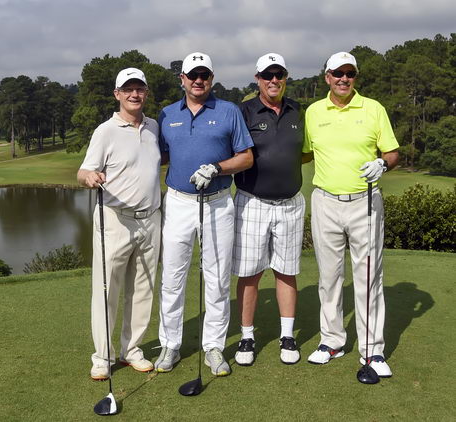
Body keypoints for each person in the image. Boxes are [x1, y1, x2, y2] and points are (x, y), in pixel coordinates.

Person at [155, 52, 254, 376]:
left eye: (205, 75)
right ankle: (170, 344)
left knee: (217, 278)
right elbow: (157, 156)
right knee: (172, 277)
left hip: (217, 203)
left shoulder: (228, 111)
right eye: (192, 75)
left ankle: (213, 346)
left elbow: (246, 158)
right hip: (180, 202)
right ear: (182, 79)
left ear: (212, 79)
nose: (199, 81)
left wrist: (216, 167)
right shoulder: (168, 114)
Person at [303, 52, 399, 377]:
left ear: (355, 77)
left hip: (365, 201)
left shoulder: (373, 109)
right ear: (326, 76)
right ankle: (331, 341)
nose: (344, 78)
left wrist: (383, 163)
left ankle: (372, 351)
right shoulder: (314, 112)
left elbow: (392, 152)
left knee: (369, 277)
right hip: (325, 202)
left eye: (350, 73)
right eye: (338, 73)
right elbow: (301, 153)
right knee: (329, 277)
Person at [78, 68, 162, 381]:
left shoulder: (153, 127)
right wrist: (90, 177)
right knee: (107, 291)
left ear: (146, 92)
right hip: (115, 220)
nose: (134, 94)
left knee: (143, 289)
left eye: (139, 88)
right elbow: (84, 171)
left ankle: (132, 350)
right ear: (117, 94)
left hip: (151, 219)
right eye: (127, 89)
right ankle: (103, 356)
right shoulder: (105, 131)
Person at [232, 53, 309, 366]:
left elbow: (304, 153)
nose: (273, 80)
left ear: (285, 77)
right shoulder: (244, 111)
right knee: (250, 273)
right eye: (267, 75)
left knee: (287, 270)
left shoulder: (297, 111)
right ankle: (247, 336)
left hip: (290, 203)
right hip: (252, 202)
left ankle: (287, 335)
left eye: (279, 75)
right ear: (257, 78)